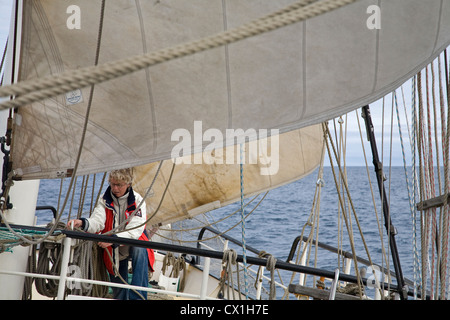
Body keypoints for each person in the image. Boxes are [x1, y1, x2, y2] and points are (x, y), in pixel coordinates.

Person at [67, 168, 154, 300]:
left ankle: (138, 297)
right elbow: (98, 221)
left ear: (128, 184)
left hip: (130, 240)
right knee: (119, 290)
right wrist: (83, 223)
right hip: (112, 246)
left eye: (119, 185)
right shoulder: (105, 200)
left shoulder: (138, 201)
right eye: (112, 184)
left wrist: (114, 239)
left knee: (140, 249)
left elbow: (135, 229)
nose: (115, 188)